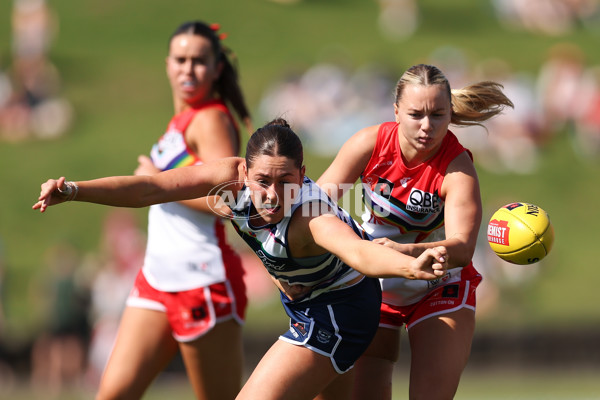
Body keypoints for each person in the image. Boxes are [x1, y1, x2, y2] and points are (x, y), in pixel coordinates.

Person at [33, 118, 449, 400]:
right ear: (244, 173)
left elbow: (359, 252)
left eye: (285, 181)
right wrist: (74, 190)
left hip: (340, 313)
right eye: (262, 181)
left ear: (303, 175)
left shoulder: (310, 217)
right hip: (306, 304)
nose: (271, 194)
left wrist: (410, 266)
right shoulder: (229, 181)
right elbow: (149, 189)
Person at [317, 63, 514, 400]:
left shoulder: (458, 168)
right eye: (415, 114)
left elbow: (462, 248)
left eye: (437, 115)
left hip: (438, 284)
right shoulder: (369, 144)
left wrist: (404, 254)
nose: (427, 126)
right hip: (372, 285)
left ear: (450, 114)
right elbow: (314, 206)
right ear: (396, 111)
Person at [83, 20, 251, 400]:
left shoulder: (210, 118)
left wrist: (157, 179)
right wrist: (158, 180)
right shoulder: (182, 118)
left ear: (217, 68)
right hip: (157, 277)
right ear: (167, 64)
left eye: (198, 60)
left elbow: (226, 201)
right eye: (180, 59)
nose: (187, 69)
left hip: (201, 278)